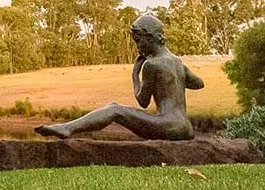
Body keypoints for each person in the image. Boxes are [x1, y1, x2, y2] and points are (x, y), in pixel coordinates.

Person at [34, 13, 204, 141]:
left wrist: (135, 74)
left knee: (114, 109)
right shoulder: (177, 62)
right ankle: (67, 128)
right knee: (114, 107)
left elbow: (143, 101)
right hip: (185, 127)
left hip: (169, 126)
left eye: (139, 41)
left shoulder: (152, 65)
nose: (138, 46)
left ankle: (67, 128)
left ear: (150, 37)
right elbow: (199, 84)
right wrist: (174, 79)